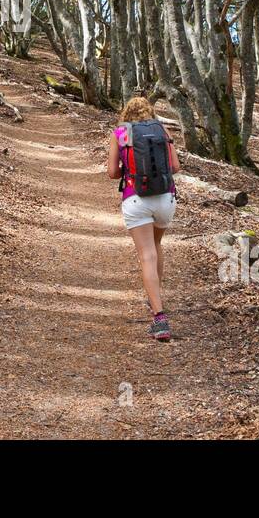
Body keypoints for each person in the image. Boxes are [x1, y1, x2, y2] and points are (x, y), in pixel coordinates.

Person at [107, 96, 180, 341]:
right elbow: (175, 167)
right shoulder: (162, 129)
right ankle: (155, 298)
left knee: (146, 255)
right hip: (165, 199)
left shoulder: (120, 132)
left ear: (126, 112)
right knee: (157, 246)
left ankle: (159, 318)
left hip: (136, 198)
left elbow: (112, 173)